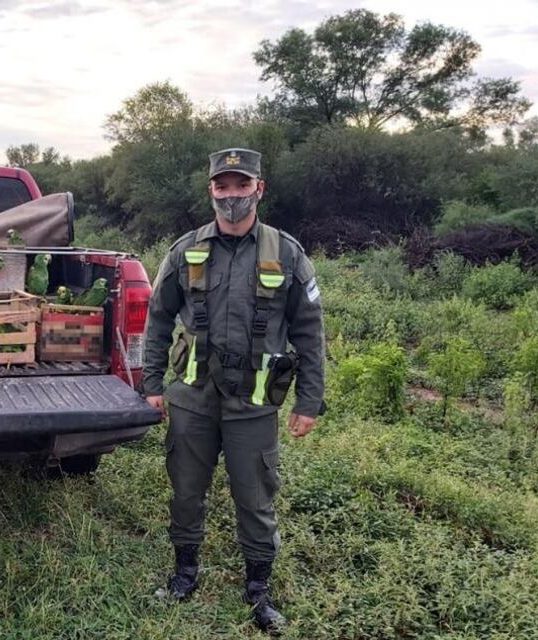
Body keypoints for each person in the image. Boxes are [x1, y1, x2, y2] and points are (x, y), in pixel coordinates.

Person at [141, 148, 325, 634]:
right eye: (222, 187)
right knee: (185, 490)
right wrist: (152, 383)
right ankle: (184, 574)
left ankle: (259, 590)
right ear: (211, 192)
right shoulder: (184, 249)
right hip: (193, 398)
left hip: (255, 400)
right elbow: (157, 319)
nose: (231, 196)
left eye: (241, 186)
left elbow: (310, 330)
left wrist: (309, 401)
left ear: (259, 188)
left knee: (256, 496)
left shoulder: (286, 253)